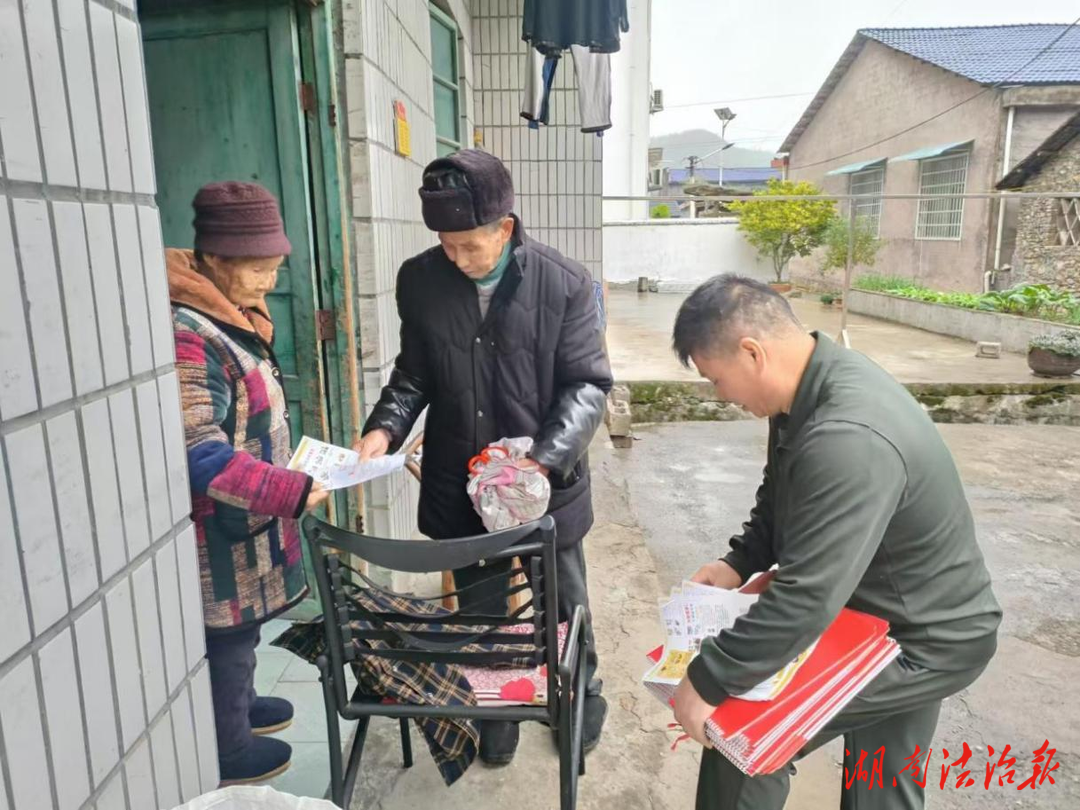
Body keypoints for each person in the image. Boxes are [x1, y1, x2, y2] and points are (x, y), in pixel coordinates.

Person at [669, 275, 1002, 810]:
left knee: (741, 735)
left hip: (923, 640)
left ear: (752, 353)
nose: (721, 396)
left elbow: (806, 596)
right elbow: (781, 497)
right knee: (881, 784)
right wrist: (738, 563)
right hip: (885, 613)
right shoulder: (804, 392)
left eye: (715, 379)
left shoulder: (847, 432)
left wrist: (710, 677)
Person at [355, 149, 613, 764]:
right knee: (482, 611)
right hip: (459, 481)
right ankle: (495, 718)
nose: (456, 258)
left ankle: (579, 700)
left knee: (562, 603)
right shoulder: (420, 279)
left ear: (505, 227)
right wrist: (384, 430)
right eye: (446, 244)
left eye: (469, 245)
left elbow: (587, 385)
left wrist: (543, 460)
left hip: (543, 487)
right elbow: (413, 374)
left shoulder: (565, 282)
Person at [169, 181, 329, 785]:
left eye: (273, 268)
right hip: (221, 523)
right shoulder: (190, 332)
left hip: (252, 515)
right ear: (213, 260)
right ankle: (229, 749)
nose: (269, 283)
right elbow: (200, 453)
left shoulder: (228, 314)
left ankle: (245, 707)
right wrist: (290, 490)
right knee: (229, 636)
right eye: (258, 270)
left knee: (249, 625)